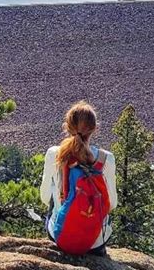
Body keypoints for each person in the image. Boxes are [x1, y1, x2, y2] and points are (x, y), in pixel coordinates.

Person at [40, 100, 117, 255]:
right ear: (95, 129)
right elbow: (112, 204)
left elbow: (45, 197)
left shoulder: (54, 154)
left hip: (61, 237)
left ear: (66, 127)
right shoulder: (106, 159)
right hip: (95, 242)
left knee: (52, 205)